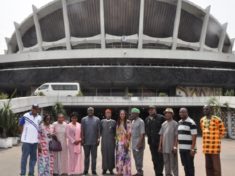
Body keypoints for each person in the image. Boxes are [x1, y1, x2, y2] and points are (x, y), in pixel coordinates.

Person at [200, 105, 226, 176]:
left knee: (216, 168)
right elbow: (203, 130)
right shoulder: (202, 120)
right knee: (208, 166)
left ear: (210, 110)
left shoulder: (217, 119)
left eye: (207, 109)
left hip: (215, 148)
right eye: (204, 109)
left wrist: (215, 139)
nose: (205, 111)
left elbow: (223, 132)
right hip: (206, 148)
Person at [19, 104, 42, 176]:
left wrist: (39, 142)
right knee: (24, 158)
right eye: (34, 108)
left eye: (36, 108)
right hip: (26, 141)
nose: (35, 110)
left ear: (38, 109)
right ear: (31, 108)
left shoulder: (40, 118)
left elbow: (40, 130)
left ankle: (31, 173)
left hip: (35, 141)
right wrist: (23, 135)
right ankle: (23, 173)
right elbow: (20, 125)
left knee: (33, 158)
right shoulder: (25, 115)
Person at [145, 105, 165, 176]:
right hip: (151, 143)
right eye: (149, 110)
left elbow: (164, 130)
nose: (151, 111)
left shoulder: (161, 118)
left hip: (160, 143)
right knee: (154, 159)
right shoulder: (147, 119)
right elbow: (147, 129)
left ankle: (160, 173)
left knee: (160, 159)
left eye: (152, 109)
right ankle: (157, 173)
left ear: (155, 110)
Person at [158, 108, 178, 176]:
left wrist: (175, 146)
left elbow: (176, 136)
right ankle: (168, 174)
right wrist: (160, 146)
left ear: (172, 114)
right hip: (164, 147)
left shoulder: (175, 123)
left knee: (174, 163)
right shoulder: (163, 124)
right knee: (166, 162)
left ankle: (175, 174)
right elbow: (161, 135)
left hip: (172, 147)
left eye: (168, 113)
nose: (166, 114)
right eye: (165, 113)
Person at [178, 108, 197, 176]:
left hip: (189, 149)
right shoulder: (179, 122)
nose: (181, 113)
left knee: (190, 166)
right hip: (182, 149)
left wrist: (192, 149)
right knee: (185, 166)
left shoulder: (191, 122)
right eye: (180, 112)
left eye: (183, 112)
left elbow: (194, 137)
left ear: (187, 113)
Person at [81, 107, 100, 175]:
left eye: (91, 110)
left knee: (94, 157)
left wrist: (98, 139)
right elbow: (82, 130)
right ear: (87, 111)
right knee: (86, 157)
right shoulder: (83, 119)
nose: (90, 111)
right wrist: (82, 139)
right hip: (86, 141)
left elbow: (98, 130)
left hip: (94, 142)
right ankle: (86, 170)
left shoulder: (97, 119)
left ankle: (93, 170)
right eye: (89, 110)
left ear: (93, 111)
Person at [116, 110, 132, 176]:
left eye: (123, 114)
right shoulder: (118, 122)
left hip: (126, 143)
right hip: (119, 143)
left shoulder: (128, 122)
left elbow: (129, 133)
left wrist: (127, 142)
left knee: (127, 157)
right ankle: (120, 171)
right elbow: (117, 134)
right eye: (121, 114)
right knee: (120, 157)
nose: (122, 115)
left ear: (125, 115)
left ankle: (127, 172)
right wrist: (118, 142)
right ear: (119, 115)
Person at [100, 109, 116, 175]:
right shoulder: (102, 121)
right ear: (105, 114)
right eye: (107, 113)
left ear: (111, 114)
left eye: (109, 113)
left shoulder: (114, 122)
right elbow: (100, 131)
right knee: (104, 155)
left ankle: (111, 169)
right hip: (104, 141)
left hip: (111, 141)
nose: (108, 114)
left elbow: (116, 132)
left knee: (111, 155)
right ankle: (104, 169)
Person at [130, 108, 145, 176]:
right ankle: (138, 171)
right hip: (133, 144)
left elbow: (142, 134)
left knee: (139, 159)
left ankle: (140, 172)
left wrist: (140, 143)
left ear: (137, 114)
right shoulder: (133, 121)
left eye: (133, 113)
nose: (132, 114)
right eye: (131, 113)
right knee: (135, 158)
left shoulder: (141, 121)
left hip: (139, 144)